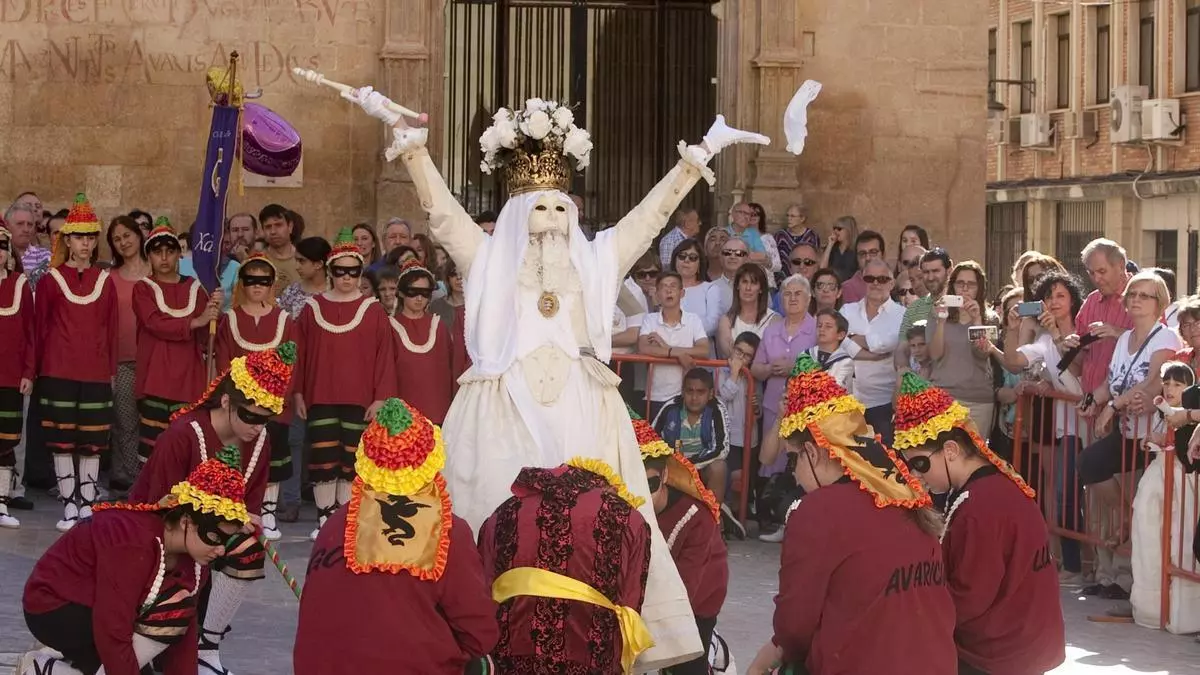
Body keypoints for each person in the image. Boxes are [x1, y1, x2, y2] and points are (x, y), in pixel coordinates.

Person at [352, 87, 767, 666]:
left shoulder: (598, 260)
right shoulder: (488, 259)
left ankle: (598, 638)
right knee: (483, 518)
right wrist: (414, 150)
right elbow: (443, 217)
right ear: (517, 215)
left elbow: (648, 220)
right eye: (538, 209)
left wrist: (693, 161)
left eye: (559, 209)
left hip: (583, 409)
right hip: (501, 408)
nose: (549, 221)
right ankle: (473, 641)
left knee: (595, 531)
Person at [745, 354, 954, 675]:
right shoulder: (902, 494)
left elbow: (793, 628)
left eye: (793, 460)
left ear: (812, 452)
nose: (794, 475)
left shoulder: (817, 510)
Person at [295, 398, 498, 674]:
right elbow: (479, 635)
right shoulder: (448, 529)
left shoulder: (335, 524)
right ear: (432, 461)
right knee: (482, 664)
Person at [129, 341, 294, 674]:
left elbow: (250, 508)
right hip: (164, 538)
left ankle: (208, 647)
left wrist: (243, 520)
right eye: (249, 416)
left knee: (248, 547)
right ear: (226, 401)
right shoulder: (183, 435)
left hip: (212, 540)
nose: (256, 426)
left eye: (266, 419)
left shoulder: (260, 442)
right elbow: (161, 508)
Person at [892, 372, 1065, 675]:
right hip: (1029, 641)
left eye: (919, 463)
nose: (916, 475)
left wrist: (912, 616)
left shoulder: (979, 508)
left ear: (950, 450)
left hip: (1001, 652)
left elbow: (968, 600)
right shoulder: (994, 485)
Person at [19, 452, 252, 675]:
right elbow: (113, 627)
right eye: (214, 537)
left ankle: (45, 669)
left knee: (175, 610)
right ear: (185, 521)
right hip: (54, 606)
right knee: (125, 657)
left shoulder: (196, 557)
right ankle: (43, 668)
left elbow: (184, 633)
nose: (221, 549)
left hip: (104, 611)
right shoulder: (133, 542)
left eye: (227, 541)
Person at [477, 456, 654, 674]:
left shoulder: (500, 516)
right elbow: (630, 607)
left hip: (511, 658)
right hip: (592, 658)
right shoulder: (627, 518)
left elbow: (483, 597)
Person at [1077, 271, 1181, 601]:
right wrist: (1094, 398)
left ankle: (1140, 588)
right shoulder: (1124, 340)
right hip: (1127, 431)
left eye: (1144, 295)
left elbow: (1153, 383)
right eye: (1132, 294)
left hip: (1153, 436)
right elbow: (1113, 381)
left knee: (1150, 510)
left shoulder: (1166, 338)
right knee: (1090, 463)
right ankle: (1125, 520)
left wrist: (1113, 406)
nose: (1135, 300)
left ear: (1159, 302)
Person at [293, 228, 398, 541]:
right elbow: (299, 354)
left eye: (353, 271)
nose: (347, 277)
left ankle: (346, 518)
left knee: (352, 458)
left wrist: (381, 397)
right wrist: (297, 392)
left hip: (360, 399)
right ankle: (325, 519)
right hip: (319, 396)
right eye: (340, 271)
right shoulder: (312, 308)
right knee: (323, 458)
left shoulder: (373, 309)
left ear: (360, 272)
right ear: (330, 271)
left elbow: (385, 357)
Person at [35, 193, 119, 532]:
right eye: (79, 237)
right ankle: (69, 503)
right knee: (62, 439)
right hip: (58, 371)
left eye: (90, 237)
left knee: (93, 440)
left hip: (96, 374)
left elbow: (111, 329)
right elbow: (40, 329)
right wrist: (36, 371)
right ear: (66, 240)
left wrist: (111, 371)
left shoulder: (105, 280)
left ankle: (87, 501)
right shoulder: (50, 280)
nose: (85, 243)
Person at [1003, 270, 1088, 582]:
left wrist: (1057, 334)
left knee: (1088, 498)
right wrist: (1013, 329)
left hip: (1091, 424)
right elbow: (1013, 362)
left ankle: (1094, 566)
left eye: (1060, 296)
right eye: (1048, 296)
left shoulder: (1084, 330)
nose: (1054, 302)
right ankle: (1073, 565)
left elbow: (1078, 371)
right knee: (1066, 493)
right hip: (1066, 427)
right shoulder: (1042, 338)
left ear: (1073, 300)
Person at [636, 411, 728, 674]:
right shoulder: (623, 508)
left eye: (650, 483)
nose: (643, 495)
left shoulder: (696, 518)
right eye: (635, 484)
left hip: (696, 603)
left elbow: (685, 591)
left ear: (665, 475)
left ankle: (711, 650)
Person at [214, 254, 296, 540]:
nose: (257, 285)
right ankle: (240, 510)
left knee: (273, 457)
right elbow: (223, 360)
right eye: (250, 280)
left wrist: (281, 396)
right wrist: (234, 397)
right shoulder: (230, 319)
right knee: (240, 456)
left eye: (264, 280)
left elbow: (293, 361)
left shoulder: (284, 319)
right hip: (240, 405)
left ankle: (268, 514)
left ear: (272, 284)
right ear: (242, 284)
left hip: (274, 403)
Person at [133, 219, 221, 464]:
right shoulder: (143, 288)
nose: (164, 258)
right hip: (155, 378)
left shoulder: (196, 288)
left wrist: (215, 310)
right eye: (157, 252)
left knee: (184, 444)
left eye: (170, 251)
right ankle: (151, 489)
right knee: (152, 446)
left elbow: (207, 335)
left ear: (179, 254)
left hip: (189, 379)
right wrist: (196, 321)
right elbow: (154, 322)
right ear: (149, 256)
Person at [751, 274, 816, 540]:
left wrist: (793, 368)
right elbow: (756, 367)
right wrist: (769, 369)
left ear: (808, 299)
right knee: (773, 459)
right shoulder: (772, 329)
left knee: (801, 462)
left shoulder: (817, 328)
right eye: (787, 294)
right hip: (774, 404)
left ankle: (801, 522)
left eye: (798, 294)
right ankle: (778, 520)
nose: (792, 298)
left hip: (806, 408)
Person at [927, 261, 998, 434]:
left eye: (971, 284)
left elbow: (982, 353)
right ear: (952, 286)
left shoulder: (990, 318)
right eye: (960, 283)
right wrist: (941, 322)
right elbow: (935, 355)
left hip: (977, 400)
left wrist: (977, 320)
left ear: (979, 288)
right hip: (943, 397)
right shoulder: (936, 314)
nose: (965, 289)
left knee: (976, 450)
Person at [840, 258, 904, 445]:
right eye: (870, 278)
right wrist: (871, 355)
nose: (875, 283)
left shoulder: (902, 315)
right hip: (847, 402)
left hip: (883, 404)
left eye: (882, 279)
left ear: (891, 283)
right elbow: (837, 341)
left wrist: (853, 337)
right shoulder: (847, 311)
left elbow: (887, 343)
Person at [106, 216, 150, 489]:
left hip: (155, 361)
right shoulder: (109, 278)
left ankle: (153, 480)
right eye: (117, 239)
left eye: (127, 235)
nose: (123, 242)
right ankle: (129, 480)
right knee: (125, 422)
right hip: (121, 361)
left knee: (155, 423)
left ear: (139, 235)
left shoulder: (157, 271)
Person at [651, 368, 731, 508]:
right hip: (673, 468)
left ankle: (714, 516)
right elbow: (651, 440)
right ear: (683, 392)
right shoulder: (670, 407)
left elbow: (722, 450)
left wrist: (691, 466)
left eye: (700, 392)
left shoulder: (717, 409)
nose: (694, 398)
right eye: (690, 391)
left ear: (710, 394)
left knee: (719, 467)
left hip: (701, 468)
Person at [639, 271, 711, 420]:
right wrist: (676, 353)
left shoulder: (693, 320)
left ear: (682, 293)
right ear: (657, 294)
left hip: (685, 395)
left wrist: (665, 347)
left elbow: (704, 350)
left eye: (673, 286)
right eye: (664, 287)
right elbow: (644, 348)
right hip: (655, 395)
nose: (669, 290)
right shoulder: (650, 319)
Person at [390, 259, 455, 424]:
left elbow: (451, 367)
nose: (419, 298)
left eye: (425, 293)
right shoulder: (390, 326)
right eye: (413, 292)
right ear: (401, 292)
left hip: (440, 412)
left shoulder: (438, 325)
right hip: (403, 416)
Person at [0, 226, 33, 529]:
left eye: (2, 246)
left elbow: (30, 333)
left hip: (11, 377)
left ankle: (1, 502)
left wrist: (28, 372)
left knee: (7, 441)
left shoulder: (20, 284)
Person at [717, 331, 760, 534]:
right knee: (734, 477)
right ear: (732, 347)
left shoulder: (752, 377)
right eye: (738, 351)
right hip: (729, 435)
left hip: (748, 437)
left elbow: (757, 411)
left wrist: (756, 407)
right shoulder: (721, 371)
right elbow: (724, 396)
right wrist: (734, 373)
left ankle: (736, 515)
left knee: (744, 479)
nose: (741, 358)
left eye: (747, 355)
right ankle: (726, 514)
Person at [716, 262, 777, 358]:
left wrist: (739, 352)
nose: (748, 288)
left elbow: (772, 354)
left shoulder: (774, 319)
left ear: (761, 289)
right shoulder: (726, 320)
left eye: (753, 283)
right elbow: (729, 353)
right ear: (737, 286)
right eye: (744, 282)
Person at [669, 238, 722, 337]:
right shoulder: (665, 289)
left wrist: (678, 329)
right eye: (682, 256)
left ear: (699, 264)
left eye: (692, 257)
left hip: (700, 345)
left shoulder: (710, 289)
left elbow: (712, 325)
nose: (686, 260)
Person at [430, 257, 470, 385]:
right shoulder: (436, 306)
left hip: (472, 365)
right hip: (445, 365)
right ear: (447, 278)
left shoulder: (479, 306)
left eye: (462, 274)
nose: (458, 278)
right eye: (453, 274)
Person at [278, 236, 331, 318]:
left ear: (319, 264)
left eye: (302, 261)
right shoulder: (291, 292)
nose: (297, 267)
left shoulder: (335, 291)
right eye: (296, 260)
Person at [257, 204, 301, 294]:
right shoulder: (258, 261)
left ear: (290, 227)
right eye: (268, 227)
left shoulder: (305, 259)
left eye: (278, 225)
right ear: (263, 230)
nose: (273, 231)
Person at [807, 308, 852, 390]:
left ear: (840, 335)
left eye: (828, 326)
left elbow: (835, 390)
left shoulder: (845, 361)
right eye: (819, 326)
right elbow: (793, 384)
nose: (822, 329)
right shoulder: (805, 355)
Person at [774, 203, 820, 280]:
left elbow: (815, 260)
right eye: (787, 215)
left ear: (802, 219)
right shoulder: (780, 235)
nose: (789, 219)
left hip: (805, 279)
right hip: (782, 279)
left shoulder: (811, 236)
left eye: (792, 216)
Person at [838, 229, 886, 304]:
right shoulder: (848, 288)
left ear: (883, 255)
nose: (868, 258)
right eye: (862, 254)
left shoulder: (892, 284)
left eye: (873, 252)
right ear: (857, 258)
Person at [818, 215, 858, 283]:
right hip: (832, 284)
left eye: (839, 229)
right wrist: (830, 244)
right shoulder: (832, 248)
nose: (835, 231)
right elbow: (822, 269)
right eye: (834, 228)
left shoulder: (856, 249)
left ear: (849, 230)